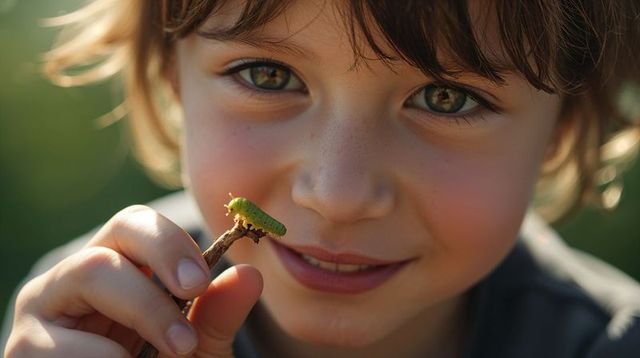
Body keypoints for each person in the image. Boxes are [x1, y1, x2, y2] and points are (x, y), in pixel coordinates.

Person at [3, 0, 640, 356]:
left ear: (565, 122)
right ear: (172, 74)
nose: (337, 197)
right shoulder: (97, 320)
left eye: (447, 98)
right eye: (267, 75)